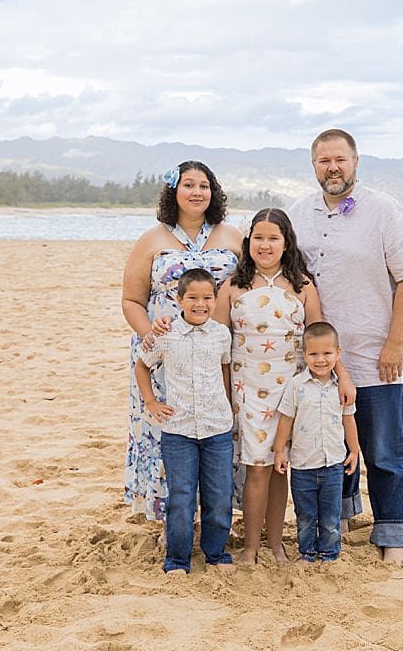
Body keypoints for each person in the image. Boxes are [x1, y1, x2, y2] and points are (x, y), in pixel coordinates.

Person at [287, 128, 403, 563]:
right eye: (324, 161)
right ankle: (343, 518)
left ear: (355, 162)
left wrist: (394, 344)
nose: (333, 168)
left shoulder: (383, 210)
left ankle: (393, 533)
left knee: (383, 451)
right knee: (329, 448)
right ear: (314, 165)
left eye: (340, 160)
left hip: (375, 357)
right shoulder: (298, 213)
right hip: (319, 362)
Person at [215, 207, 355, 566]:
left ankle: (276, 544)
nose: (265, 245)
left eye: (273, 238)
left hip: (293, 391)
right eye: (258, 238)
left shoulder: (302, 286)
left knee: (280, 468)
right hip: (248, 390)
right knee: (257, 468)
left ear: (286, 242)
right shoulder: (233, 286)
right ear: (248, 242)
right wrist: (221, 391)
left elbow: (321, 335)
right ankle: (251, 547)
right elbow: (216, 344)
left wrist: (343, 376)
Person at [121, 161, 241, 524]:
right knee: (168, 428)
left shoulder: (232, 236)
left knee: (215, 428)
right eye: (188, 185)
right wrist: (151, 335)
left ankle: (214, 516)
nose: (196, 192)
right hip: (164, 354)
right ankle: (170, 519)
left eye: (204, 185)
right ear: (174, 192)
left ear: (213, 192)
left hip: (215, 351)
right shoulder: (152, 239)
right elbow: (131, 299)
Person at [134, 268, 236, 574]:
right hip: (178, 430)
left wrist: (228, 405)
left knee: (219, 495)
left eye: (207, 298)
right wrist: (151, 402)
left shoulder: (221, 334)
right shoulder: (165, 335)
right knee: (181, 496)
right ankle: (177, 559)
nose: (200, 304)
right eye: (192, 297)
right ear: (179, 300)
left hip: (217, 427)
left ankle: (216, 553)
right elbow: (142, 366)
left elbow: (225, 369)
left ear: (215, 301)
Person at [273, 322, 360, 564]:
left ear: (338, 354)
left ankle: (330, 554)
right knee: (305, 515)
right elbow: (286, 420)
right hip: (303, 466)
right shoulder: (296, 385)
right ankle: (308, 553)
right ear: (304, 355)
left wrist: (354, 450)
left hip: (333, 465)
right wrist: (279, 451)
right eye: (313, 354)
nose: (320, 360)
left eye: (327, 353)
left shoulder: (341, 388)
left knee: (331, 515)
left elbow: (349, 419)